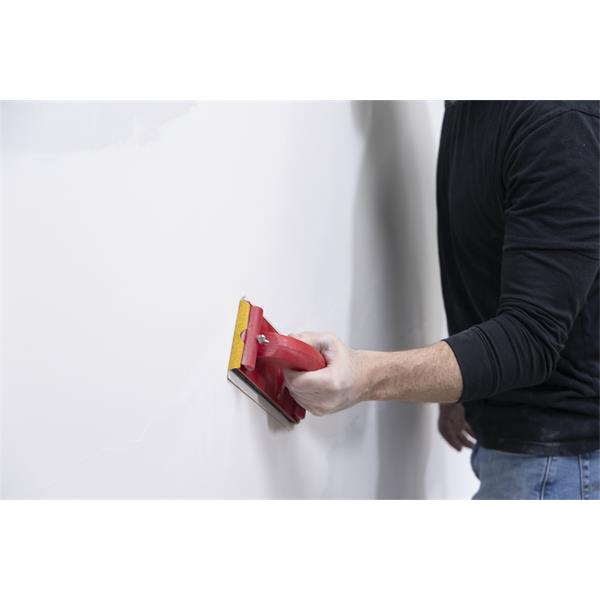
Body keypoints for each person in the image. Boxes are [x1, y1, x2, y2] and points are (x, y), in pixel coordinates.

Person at [284, 101, 599, 500]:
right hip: (523, 450)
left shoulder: (560, 121)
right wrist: (466, 385)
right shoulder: (469, 105)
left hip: (562, 462)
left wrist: (363, 375)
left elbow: (531, 336)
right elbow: (493, 261)